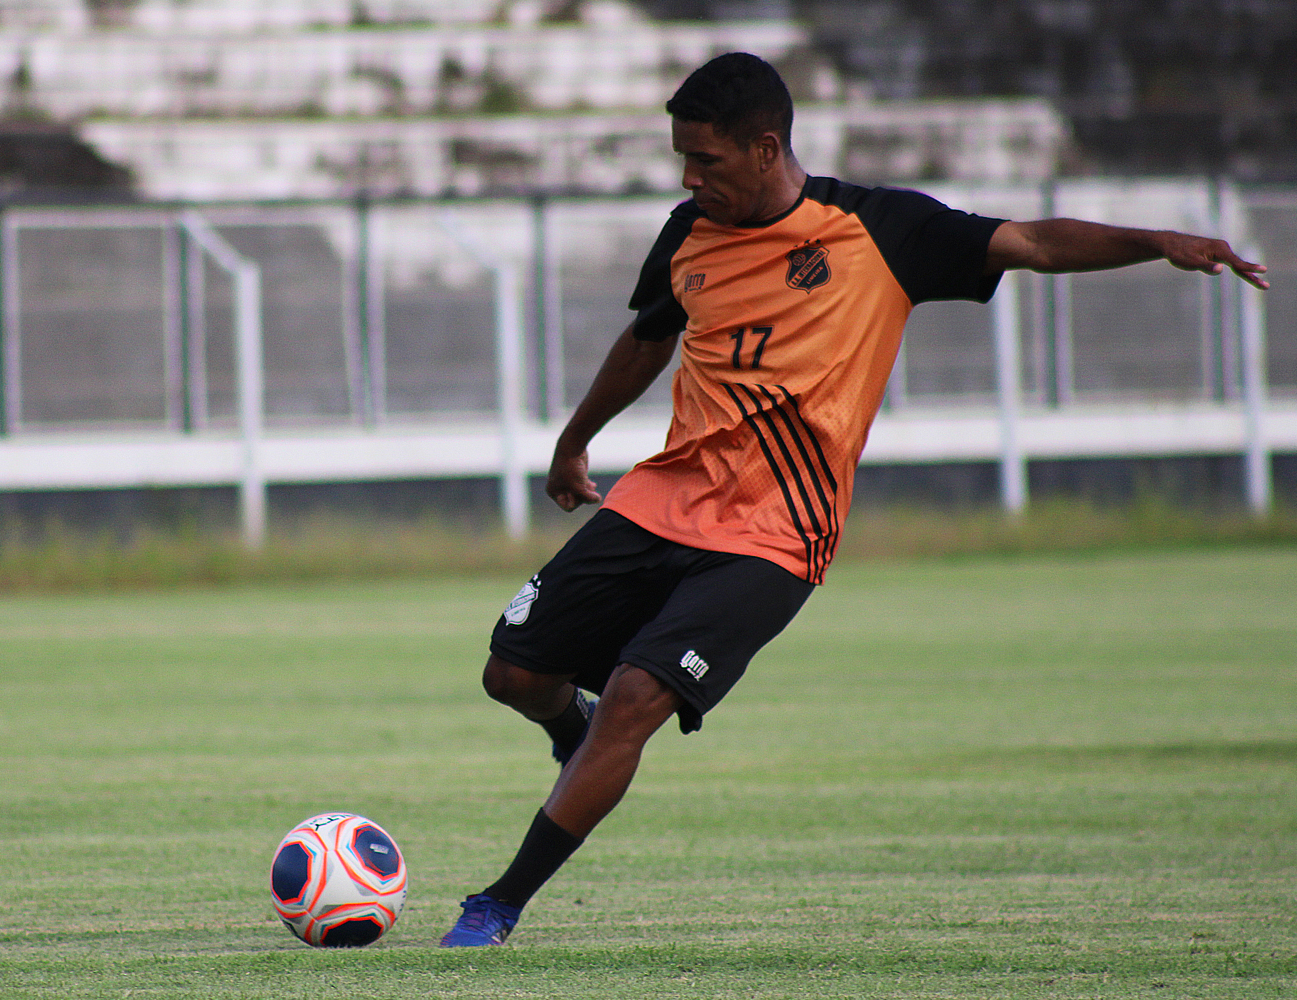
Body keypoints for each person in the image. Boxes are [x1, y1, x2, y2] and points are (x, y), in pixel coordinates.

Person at [439, 52, 1269, 948]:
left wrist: (1157, 241)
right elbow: (648, 338)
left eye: (705, 160)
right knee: (513, 673)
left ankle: (499, 902)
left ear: (765, 149)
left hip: (774, 535)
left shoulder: (881, 230)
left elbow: (1031, 243)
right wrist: (574, 441)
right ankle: (575, 729)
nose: (688, 178)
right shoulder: (688, 231)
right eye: (681, 160)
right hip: (663, 498)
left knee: (640, 695)